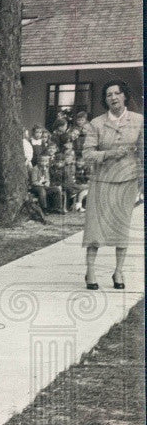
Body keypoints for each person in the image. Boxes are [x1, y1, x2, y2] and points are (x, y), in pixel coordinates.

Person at [80, 80, 143, 290]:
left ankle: (119, 271)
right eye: (109, 95)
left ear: (125, 96)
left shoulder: (139, 121)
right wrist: (108, 154)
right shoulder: (96, 124)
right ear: (105, 99)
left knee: (122, 227)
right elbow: (87, 154)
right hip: (101, 180)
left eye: (117, 93)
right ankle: (90, 270)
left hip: (127, 180)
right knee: (95, 227)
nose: (113, 98)